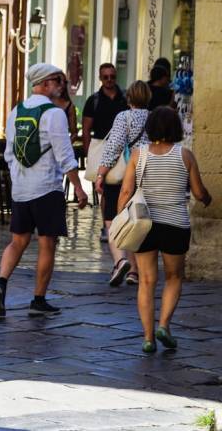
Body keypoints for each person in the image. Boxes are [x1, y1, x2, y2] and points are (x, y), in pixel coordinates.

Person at [0, 64, 88, 318]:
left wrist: (19, 179)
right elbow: (65, 155)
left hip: (21, 189)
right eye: (58, 80)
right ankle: (38, 300)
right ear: (45, 83)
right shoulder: (54, 114)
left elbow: (9, 154)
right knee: (47, 243)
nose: (61, 85)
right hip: (46, 188)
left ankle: (1, 283)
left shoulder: (16, 111)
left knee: (17, 241)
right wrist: (78, 188)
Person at [118, 107, 211, 353]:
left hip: (144, 225)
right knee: (174, 277)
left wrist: (120, 218)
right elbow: (199, 192)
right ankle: (164, 325)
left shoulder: (138, 154)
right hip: (175, 225)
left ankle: (148, 338)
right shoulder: (185, 155)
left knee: (146, 281)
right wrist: (208, 199)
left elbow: (126, 191)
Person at [94, 81, 151, 287]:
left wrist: (101, 174)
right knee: (137, 222)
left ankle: (120, 261)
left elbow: (114, 147)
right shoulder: (155, 117)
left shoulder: (123, 117)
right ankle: (134, 271)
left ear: (129, 98)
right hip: (146, 176)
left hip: (123, 177)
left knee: (113, 220)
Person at [82, 63, 128, 243]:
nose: (109, 80)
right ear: (100, 78)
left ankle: (121, 225)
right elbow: (86, 129)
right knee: (107, 190)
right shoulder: (93, 100)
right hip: (102, 148)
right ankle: (107, 226)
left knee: (125, 188)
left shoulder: (125, 98)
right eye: (105, 77)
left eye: (112, 76)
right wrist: (88, 153)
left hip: (124, 150)